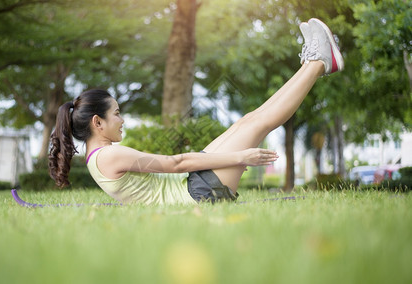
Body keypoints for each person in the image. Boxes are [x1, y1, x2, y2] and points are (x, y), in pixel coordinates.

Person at [48, 18, 344, 205]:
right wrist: (242, 157)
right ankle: (319, 62)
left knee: (249, 120)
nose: (122, 119)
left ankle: (312, 61)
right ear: (98, 122)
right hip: (197, 193)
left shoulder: (99, 157)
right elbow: (176, 163)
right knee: (259, 124)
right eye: (116, 113)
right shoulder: (109, 155)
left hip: (193, 184)